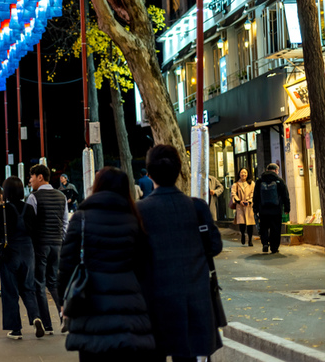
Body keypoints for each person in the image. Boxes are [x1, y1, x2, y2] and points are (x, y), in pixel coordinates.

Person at [58, 167, 155, 360]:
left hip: (89, 305)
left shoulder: (81, 218)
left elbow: (67, 264)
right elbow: (146, 266)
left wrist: (64, 302)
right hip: (129, 307)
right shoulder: (135, 219)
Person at [137, 144, 223, 361]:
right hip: (195, 300)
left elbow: (134, 257)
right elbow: (214, 246)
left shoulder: (140, 211)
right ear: (178, 171)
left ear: (150, 173)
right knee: (188, 355)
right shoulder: (197, 207)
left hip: (154, 303)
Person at [0, 176, 44, 340]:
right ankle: (36, 317)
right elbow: (36, 231)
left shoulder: (2, 209)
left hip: (11, 252)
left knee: (10, 291)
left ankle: (15, 329)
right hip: (28, 251)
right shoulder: (29, 208)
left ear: (6, 191)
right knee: (28, 288)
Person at [27, 164, 68, 335]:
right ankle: (63, 316)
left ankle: (47, 324)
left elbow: (31, 224)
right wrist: (61, 241)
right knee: (54, 282)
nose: (30, 180)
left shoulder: (33, 197)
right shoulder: (61, 196)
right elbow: (65, 223)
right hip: (57, 244)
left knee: (39, 283)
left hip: (40, 245)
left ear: (40, 177)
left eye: (32, 177)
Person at [253, 163, 291, 254]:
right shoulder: (279, 181)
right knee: (276, 228)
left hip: (263, 209)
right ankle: (274, 248)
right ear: (276, 170)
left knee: (264, 227)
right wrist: (287, 208)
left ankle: (265, 243)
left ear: (267, 170)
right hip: (276, 210)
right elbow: (285, 195)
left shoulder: (259, 181)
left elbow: (256, 196)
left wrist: (255, 209)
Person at [232, 168, 256, 246]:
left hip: (249, 206)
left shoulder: (251, 183)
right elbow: (233, 194)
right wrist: (239, 201)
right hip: (240, 206)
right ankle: (242, 234)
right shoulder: (236, 184)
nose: (243, 174)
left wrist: (249, 201)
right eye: (242, 172)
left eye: (245, 172)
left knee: (250, 223)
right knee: (242, 223)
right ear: (239, 174)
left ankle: (250, 239)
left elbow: (253, 193)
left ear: (248, 174)